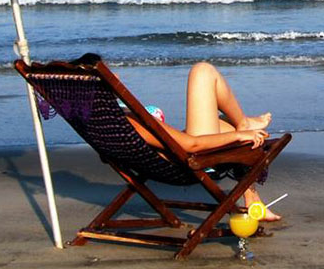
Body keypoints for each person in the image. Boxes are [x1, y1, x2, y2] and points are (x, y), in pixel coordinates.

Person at [90, 56, 281, 222]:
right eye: (108, 73)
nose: (116, 76)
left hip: (166, 158)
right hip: (188, 159)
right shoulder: (127, 120)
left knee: (226, 123)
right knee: (202, 71)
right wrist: (238, 135)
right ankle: (243, 124)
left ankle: (253, 200)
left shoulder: (103, 120)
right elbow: (191, 144)